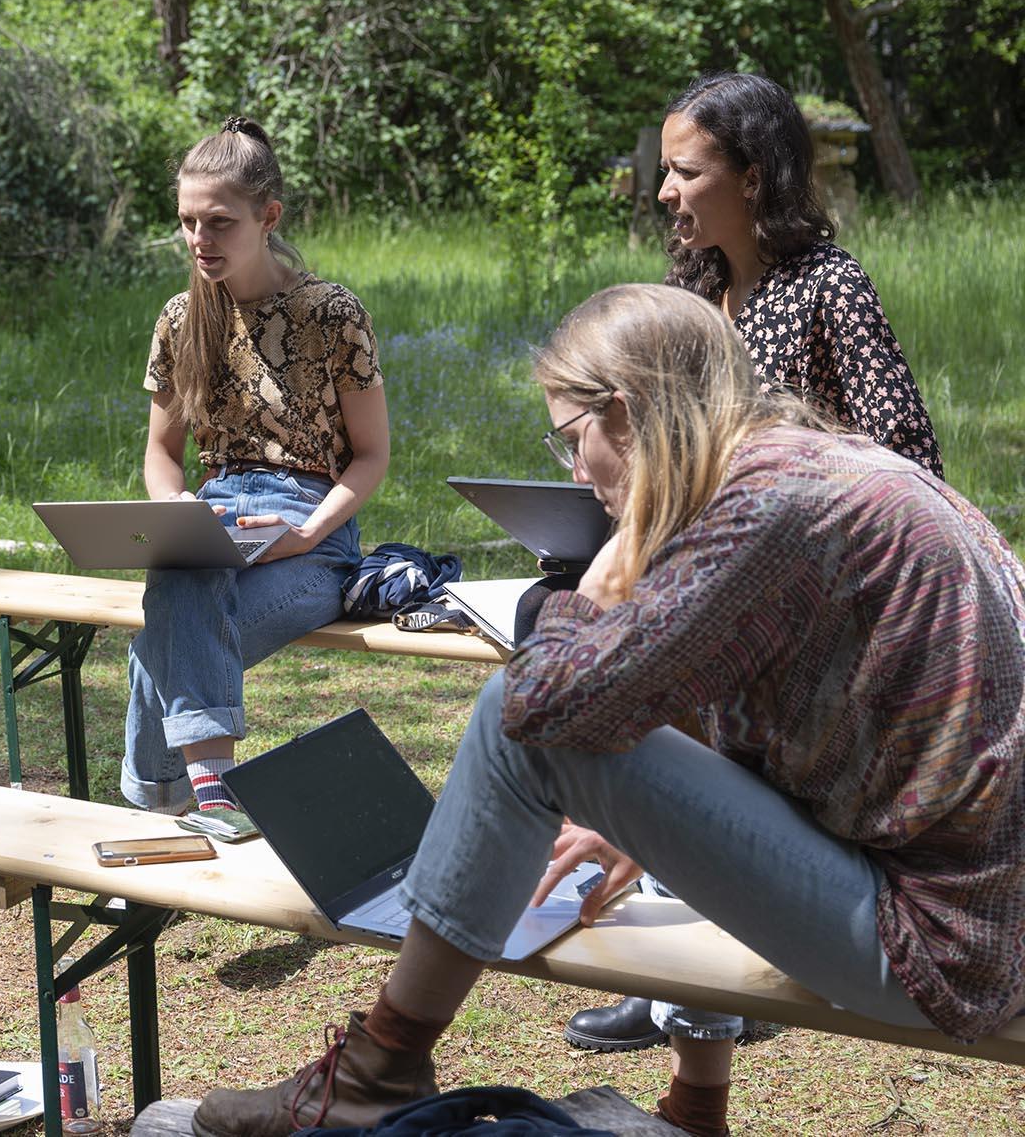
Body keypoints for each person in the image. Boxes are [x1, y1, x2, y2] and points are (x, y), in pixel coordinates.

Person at [191, 284, 1025, 1137]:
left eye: (572, 440)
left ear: (625, 413)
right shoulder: (816, 466)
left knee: (519, 710)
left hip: (948, 948)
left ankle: (378, 1068)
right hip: (986, 910)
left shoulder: (768, 506)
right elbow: (806, 704)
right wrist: (644, 816)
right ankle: (391, 1068)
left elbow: (547, 711)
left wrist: (592, 587)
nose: (579, 473)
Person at [566, 69, 947, 1054]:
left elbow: (907, 465)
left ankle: (700, 997)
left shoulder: (829, 290)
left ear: (752, 173)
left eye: (684, 171)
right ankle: (682, 994)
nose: (662, 190)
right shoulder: (694, 293)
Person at [121, 117, 389, 815]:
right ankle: (208, 797)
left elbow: (370, 457)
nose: (199, 240)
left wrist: (306, 534)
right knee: (185, 570)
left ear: (268, 216)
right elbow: (160, 455)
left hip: (314, 536)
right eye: (187, 222)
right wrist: (174, 507)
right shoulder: (182, 318)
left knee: (162, 636)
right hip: (216, 518)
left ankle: (157, 807)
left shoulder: (331, 312)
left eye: (218, 222)